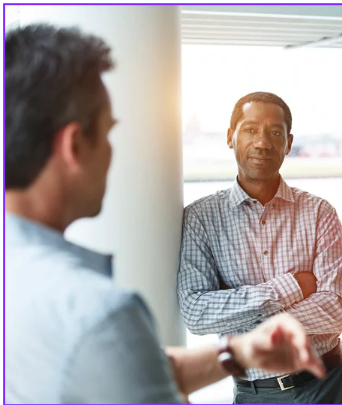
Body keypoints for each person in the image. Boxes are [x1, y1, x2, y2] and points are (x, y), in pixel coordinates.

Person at [5, 23, 324, 404]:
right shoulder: (101, 311)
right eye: (108, 133)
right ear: (75, 145)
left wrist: (239, 351)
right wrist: (285, 292)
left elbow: (121, 372)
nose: (113, 153)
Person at [177, 92, 342, 404]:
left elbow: (337, 309)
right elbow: (196, 313)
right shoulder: (201, 218)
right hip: (255, 395)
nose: (262, 143)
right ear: (230, 137)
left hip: (329, 387)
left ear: (288, 143)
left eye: (275, 133)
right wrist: (291, 287)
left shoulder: (319, 212)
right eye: (250, 130)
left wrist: (239, 316)